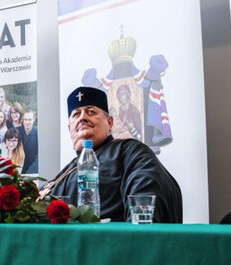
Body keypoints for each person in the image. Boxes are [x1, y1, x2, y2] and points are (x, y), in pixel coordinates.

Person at [41, 86, 182, 222]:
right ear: (69, 129)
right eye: (76, 114)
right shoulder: (65, 172)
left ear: (109, 122)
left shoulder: (131, 151)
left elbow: (145, 203)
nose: (82, 117)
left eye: (90, 111)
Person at [20, 108, 38, 174]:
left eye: (29, 120)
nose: (27, 122)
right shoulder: (17, 131)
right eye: (25, 119)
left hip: (31, 170)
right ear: (23, 119)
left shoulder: (38, 134)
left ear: (34, 119)